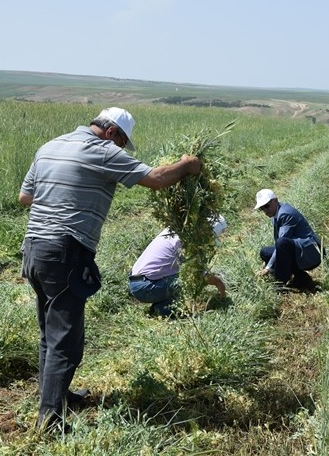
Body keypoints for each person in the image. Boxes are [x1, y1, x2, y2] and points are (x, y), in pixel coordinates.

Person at [18, 107, 201, 432]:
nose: (119, 150)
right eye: (121, 143)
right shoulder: (100, 150)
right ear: (113, 133)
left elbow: (25, 197)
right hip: (64, 251)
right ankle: (49, 421)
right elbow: (156, 180)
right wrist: (187, 165)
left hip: (33, 249)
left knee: (49, 332)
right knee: (66, 341)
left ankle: (57, 396)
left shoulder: (50, 146)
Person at [128, 216, 228, 317]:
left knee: (182, 275)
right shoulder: (184, 241)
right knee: (188, 277)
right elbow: (199, 272)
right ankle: (165, 310)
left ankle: (161, 305)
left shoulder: (174, 231)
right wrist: (218, 283)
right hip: (145, 287)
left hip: (138, 281)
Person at [254, 188, 322, 290]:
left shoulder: (285, 214)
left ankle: (280, 283)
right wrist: (269, 263)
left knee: (281, 243)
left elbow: (282, 243)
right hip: (299, 249)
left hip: (311, 252)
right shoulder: (275, 214)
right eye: (262, 208)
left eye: (267, 205)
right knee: (265, 252)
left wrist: (268, 268)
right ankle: (301, 277)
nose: (265, 210)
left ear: (276, 200)